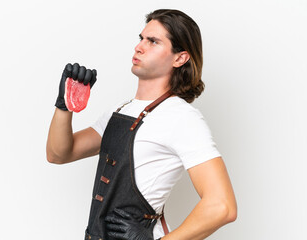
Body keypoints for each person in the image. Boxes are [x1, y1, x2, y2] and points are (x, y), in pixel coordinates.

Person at [47, 9, 237, 240]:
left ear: (180, 58)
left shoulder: (181, 118)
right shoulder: (119, 111)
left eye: (153, 41)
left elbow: (222, 206)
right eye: (141, 38)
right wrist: (65, 106)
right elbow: (59, 154)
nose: (139, 47)